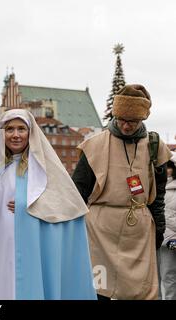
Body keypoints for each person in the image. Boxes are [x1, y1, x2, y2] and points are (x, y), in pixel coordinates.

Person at [0, 109, 96, 300]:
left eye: (21, 129)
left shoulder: (46, 169)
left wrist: (30, 206)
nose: (16, 135)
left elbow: (65, 204)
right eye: (9, 129)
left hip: (32, 243)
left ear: (31, 134)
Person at [72, 84, 172, 300]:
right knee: (99, 289)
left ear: (143, 119)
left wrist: (159, 226)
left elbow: (160, 193)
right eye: (122, 120)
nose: (126, 126)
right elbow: (78, 190)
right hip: (100, 232)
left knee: (142, 291)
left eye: (133, 122)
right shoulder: (94, 146)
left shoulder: (155, 146)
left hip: (139, 231)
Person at [158, 152, 176, 299]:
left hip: (171, 241)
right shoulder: (156, 186)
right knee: (153, 276)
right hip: (155, 238)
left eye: (169, 167)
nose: (166, 170)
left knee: (169, 275)